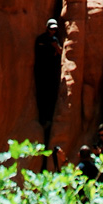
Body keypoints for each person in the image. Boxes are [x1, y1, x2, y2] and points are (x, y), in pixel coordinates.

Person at [34, 17, 64, 146]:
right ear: (47, 28)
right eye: (51, 29)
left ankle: (47, 119)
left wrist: (56, 46)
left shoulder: (54, 40)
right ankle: (43, 119)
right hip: (41, 70)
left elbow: (61, 52)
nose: (53, 31)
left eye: (55, 29)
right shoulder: (41, 39)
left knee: (49, 95)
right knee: (41, 95)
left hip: (51, 71)